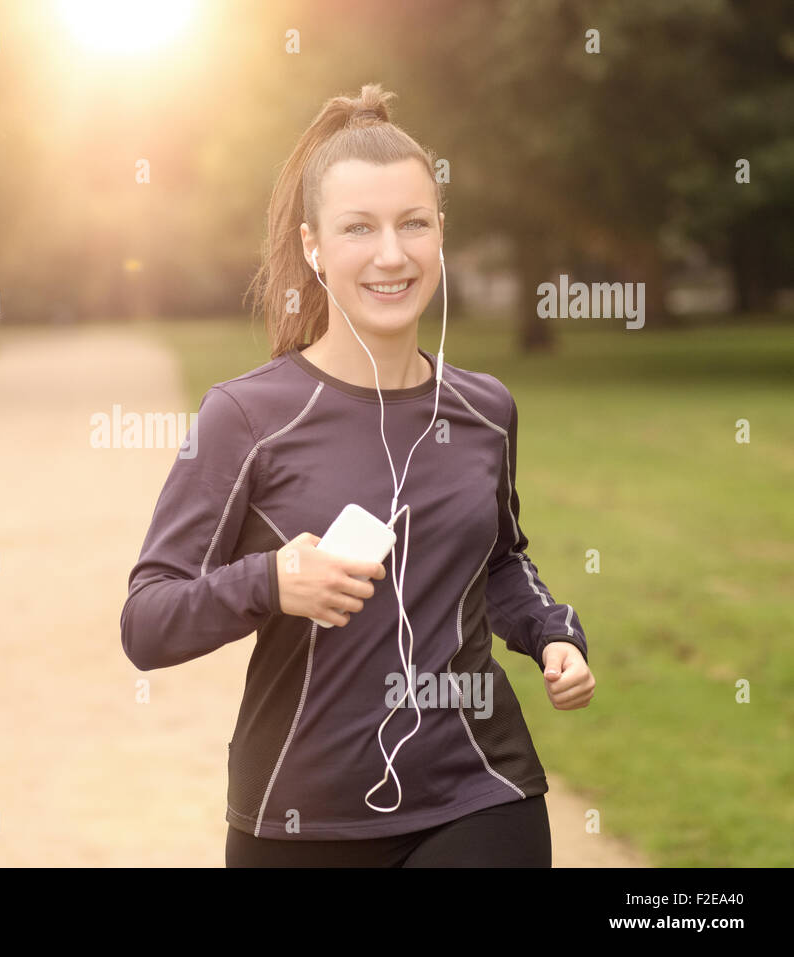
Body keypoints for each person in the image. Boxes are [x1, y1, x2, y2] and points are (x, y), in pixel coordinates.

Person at [119, 83, 596, 867]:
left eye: (414, 223)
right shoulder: (245, 417)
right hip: (300, 815)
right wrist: (271, 580)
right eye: (358, 228)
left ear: (441, 234)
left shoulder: (485, 409)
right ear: (312, 246)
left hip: (481, 791)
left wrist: (553, 634)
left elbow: (502, 560)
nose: (391, 254)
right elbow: (147, 620)